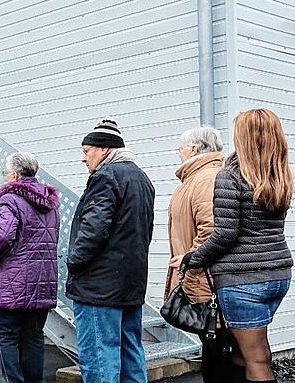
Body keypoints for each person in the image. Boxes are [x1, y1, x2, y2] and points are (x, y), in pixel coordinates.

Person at [170, 109, 293, 383]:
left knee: (255, 359)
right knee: (253, 350)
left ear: (245, 138)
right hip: (278, 276)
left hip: (242, 281)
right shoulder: (280, 175)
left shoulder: (231, 176)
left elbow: (224, 235)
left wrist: (191, 258)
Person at [66, 119, 155, 383]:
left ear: (104, 149)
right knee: (131, 352)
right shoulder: (142, 178)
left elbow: (93, 230)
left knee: (99, 355)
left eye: (86, 151)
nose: (84, 159)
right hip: (130, 283)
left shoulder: (105, 177)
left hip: (99, 287)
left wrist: (74, 261)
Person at [0, 153, 60, 383]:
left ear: (15, 174)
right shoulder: (50, 203)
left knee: (6, 337)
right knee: (34, 337)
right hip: (43, 281)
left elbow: (3, 234)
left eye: (7, 172)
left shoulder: (11, 199)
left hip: (14, 282)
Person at [164, 127, 230, 381]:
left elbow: (212, 229)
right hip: (200, 276)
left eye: (181, 147)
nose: (178, 152)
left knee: (219, 352)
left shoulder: (205, 179)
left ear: (194, 148)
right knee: (213, 349)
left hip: (206, 279)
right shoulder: (196, 178)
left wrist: (190, 259)